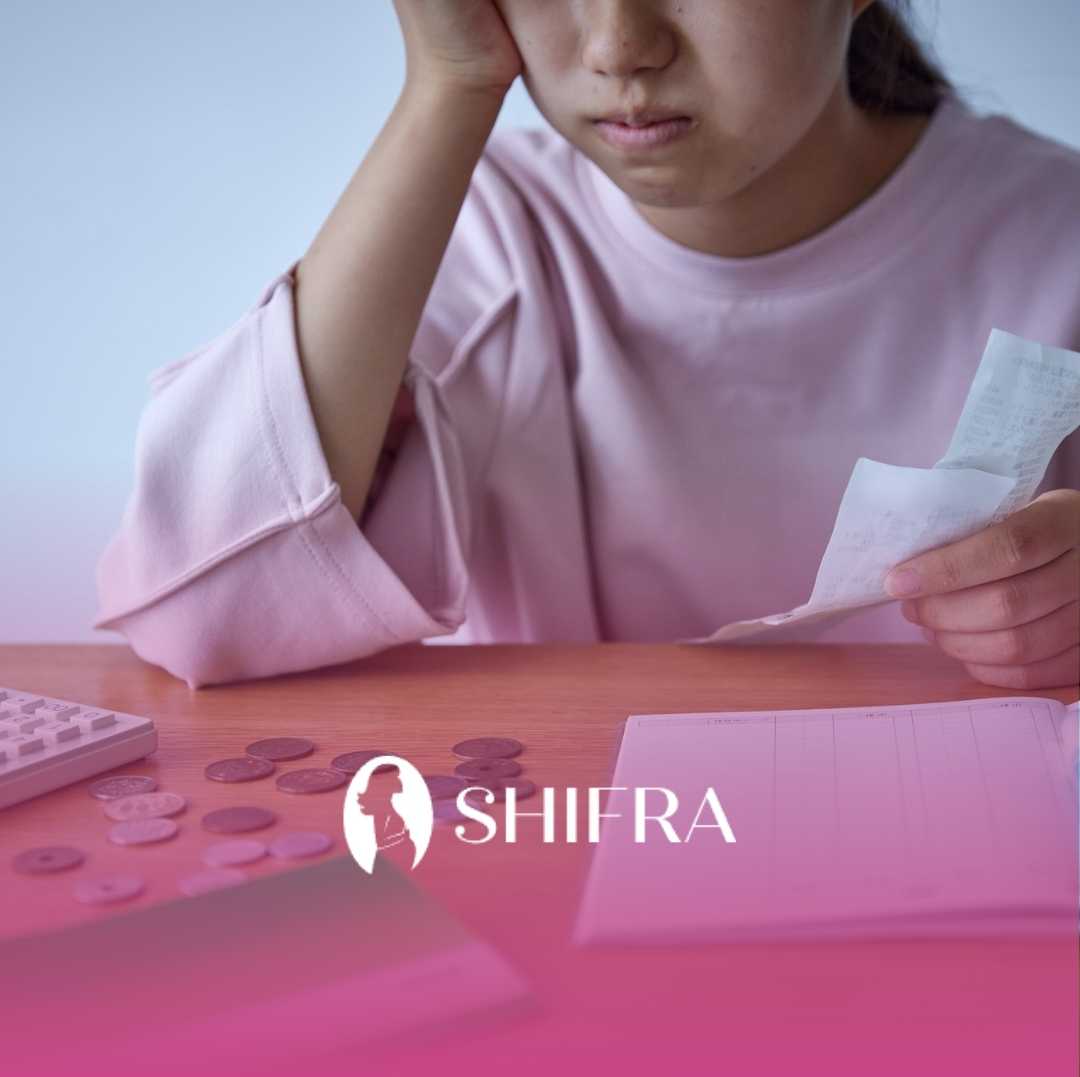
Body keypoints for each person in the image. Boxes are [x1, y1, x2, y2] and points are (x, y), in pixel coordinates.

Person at [92, 1, 1080, 691]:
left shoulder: (1054, 235)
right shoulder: (469, 241)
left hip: (961, 877)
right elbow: (200, 612)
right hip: (575, 846)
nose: (619, 44)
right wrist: (450, 83)